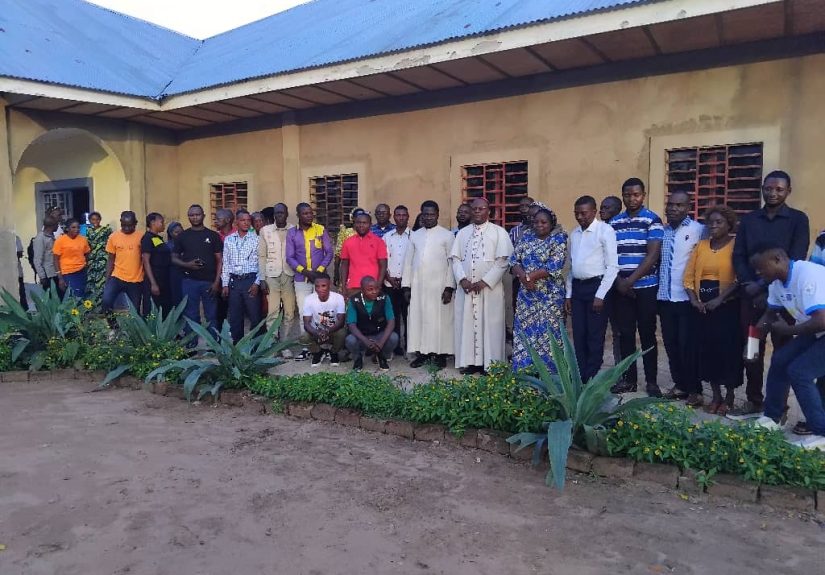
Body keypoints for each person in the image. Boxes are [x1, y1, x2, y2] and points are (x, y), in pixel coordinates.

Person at [730, 170, 810, 417]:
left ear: (788, 191)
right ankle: (754, 400)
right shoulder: (749, 220)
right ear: (762, 189)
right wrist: (750, 285)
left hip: (784, 300)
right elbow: (739, 256)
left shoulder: (798, 220)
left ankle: (779, 407)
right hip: (751, 298)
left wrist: (764, 286)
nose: (773, 193)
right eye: (768, 188)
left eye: (779, 189)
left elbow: (796, 256)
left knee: (782, 352)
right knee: (752, 349)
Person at [750, 246, 825, 445]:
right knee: (780, 360)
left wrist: (788, 331)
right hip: (817, 331)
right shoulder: (776, 284)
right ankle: (773, 418)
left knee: (800, 372)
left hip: (821, 326)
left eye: (761, 268)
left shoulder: (807, 275)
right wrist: (752, 345)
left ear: (777, 259)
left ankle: (821, 433)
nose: (758, 273)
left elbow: (822, 320)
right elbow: (769, 315)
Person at [609, 178, 664, 397]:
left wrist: (629, 281)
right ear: (622, 196)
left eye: (636, 194)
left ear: (643, 195)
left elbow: (653, 255)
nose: (632, 199)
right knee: (626, 335)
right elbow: (608, 256)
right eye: (627, 195)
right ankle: (629, 380)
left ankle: (651, 382)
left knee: (648, 334)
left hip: (645, 287)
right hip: (621, 288)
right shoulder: (614, 223)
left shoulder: (652, 220)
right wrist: (619, 283)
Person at [684, 205, 741, 415]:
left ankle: (730, 396)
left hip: (727, 308)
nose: (713, 226)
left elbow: (739, 278)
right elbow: (688, 277)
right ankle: (715, 396)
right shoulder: (701, 246)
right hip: (703, 309)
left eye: (719, 222)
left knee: (727, 352)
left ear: (729, 225)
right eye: (710, 222)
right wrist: (694, 300)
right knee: (707, 352)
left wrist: (720, 299)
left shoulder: (736, 246)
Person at [451, 198, 514, 374]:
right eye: (474, 209)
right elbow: (455, 259)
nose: (477, 212)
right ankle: (471, 363)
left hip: (489, 290)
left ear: (489, 211)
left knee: (491, 326)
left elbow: (503, 261)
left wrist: (485, 281)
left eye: (481, 209)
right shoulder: (463, 233)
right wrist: (462, 279)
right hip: (467, 289)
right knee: (467, 325)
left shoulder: (499, 232)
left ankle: (491, 365)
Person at [657, 191, 705, 405]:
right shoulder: (663, 231)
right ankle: (680, 385)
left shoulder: (698, 230)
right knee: (671, 344)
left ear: (688, 207)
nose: (674, 209)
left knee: (688, 346)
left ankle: (695, 390)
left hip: (687, 298)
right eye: (671, 204)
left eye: (679, 205)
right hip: (665, 297)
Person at [565, 196, 618, 382]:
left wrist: (601, 295)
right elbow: (571, 267)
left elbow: (613, 266)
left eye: (584, 213)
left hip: (597, 287)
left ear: (594, 212)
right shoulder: (574, 234)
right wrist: (569, 294)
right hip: (578, 288)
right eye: (576, 213)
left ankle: (592, 377)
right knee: (579, 334)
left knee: (594, 335)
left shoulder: (605, 230)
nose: (580, 217)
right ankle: (580, 376)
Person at [511, 206, 567, 372]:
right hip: (526, 296)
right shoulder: (526, 236)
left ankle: (550, 374)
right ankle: (524, 371)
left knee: (549, 333)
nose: (539, 225)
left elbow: (555, 265)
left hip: (550, 296)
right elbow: (514, 260)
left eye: (544, 222)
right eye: (536, 222)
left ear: (551, 223)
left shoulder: (558, 238)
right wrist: (524, 277)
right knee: (525, 332)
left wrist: (530, 277)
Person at [403, 200, 455, 369]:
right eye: (425, 214)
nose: (429, 217)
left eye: (432, 214)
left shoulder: (447, 235)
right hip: (418, 287)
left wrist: (449, 287)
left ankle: (440, 355)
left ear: (438, 215)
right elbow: (408, 262)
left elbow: (452, 263)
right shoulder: (415, 235)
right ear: (421, 215)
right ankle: (422, 354)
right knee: (420, 319)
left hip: (439, 287)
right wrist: (406, 286)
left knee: (440, 321)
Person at [286, 202, 333, 361]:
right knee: (304, 313)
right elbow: (290, 257)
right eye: (305, 213)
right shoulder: (292, 233)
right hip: (301, 279)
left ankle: (325, 347)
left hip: (320, 279)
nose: (309, 215)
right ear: (298, 215)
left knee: (323, 312)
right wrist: (305, 272)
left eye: (310, 213)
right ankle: (308, 348)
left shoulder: (320, 230)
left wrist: (318, 272)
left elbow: (329, 253)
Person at [172, 204, 223, 336]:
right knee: (191, 314)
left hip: (209, 282)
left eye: (197, 214)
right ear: (188, 217)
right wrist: (187, 265)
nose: (195, 217)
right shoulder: (183, 236)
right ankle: (191, 343)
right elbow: (173, 258)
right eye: (191, 215)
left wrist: (216, 282)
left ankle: (213, 343)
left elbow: (220, 260)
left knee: (211, 315)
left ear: (203, 216)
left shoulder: (213, 235)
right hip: (189, 281)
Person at [221, 211, 262, 343]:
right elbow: (226, 263)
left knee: (255, 316)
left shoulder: (256, 239)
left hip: (250, 281)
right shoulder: (229, 239)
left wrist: (257, 283)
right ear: (236, 222)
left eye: (248, 220)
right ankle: (238, 346)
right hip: (234, 282)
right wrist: (225, 284)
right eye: (243, 220)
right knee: (235, 317)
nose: (246, 223)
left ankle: (256, 347)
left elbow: (262, 263)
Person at [259, 203, 296, 347]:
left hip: (289, 275)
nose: (279, 215)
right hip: (271, 276)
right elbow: (262, 256)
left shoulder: (294, 229)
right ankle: (272, 345)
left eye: (282, 213)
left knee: (290, 312)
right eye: (277, 213)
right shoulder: (265, 231)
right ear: (274, 215)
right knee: (272, 313)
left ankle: (284, 344)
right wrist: (262, 278)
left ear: (287, 214)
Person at [345, 276, 398, 371]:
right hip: (362, 336)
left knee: (393, 337)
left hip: (379, 334)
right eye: (370, 289)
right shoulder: (354, 300)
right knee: (350, 340)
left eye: (377, 288)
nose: (374, 291)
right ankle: (358, 358)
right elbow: (351, 325)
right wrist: (366, 341)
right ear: (362, 290)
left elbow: (391, 322)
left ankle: (381, 355)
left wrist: (381, 343)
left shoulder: (384, 298)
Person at [300, 273, 346, 367]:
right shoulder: (309, 299)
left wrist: (327, 331)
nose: (320, 289)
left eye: (323, 286)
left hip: (333, 331)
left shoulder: (338, 298)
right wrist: (317, 333)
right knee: (304, 337)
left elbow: (341, 322)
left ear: (330, 285)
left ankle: (333, 353)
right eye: (317, 286)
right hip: (316, 332)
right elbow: (306, 324)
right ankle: (317, 353)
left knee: (342, 333)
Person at [102, 211, 144, 313]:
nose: (126, 228)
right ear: (121, 222)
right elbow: (110, 259)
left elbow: (145, 258)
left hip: (136, 280)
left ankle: (133, 324)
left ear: (135, 223)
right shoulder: (113, 237)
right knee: (106, 301)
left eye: (129, 225)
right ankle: (112, 322)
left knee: (135, 309)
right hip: (117, 277)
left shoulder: (141, 237)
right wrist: (107, 279)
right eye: (124, 225)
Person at [383, 205, 411, 357]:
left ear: (408, 217)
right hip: (390, 283)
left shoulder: (414, 236)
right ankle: (395, 346)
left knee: (408, 315)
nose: (401, 217)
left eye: (403, 215)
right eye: (398, 215)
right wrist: (389, 278)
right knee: (393, 315)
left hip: (408, 284)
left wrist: (405, 280)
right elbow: (382, 260)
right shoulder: (386, 237)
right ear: (393, 217)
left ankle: (409, 344)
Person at [599, 196, 624, 367]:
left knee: (618, 331)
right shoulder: (598, 229)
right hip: (599, 288)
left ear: (617, 210)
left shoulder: (619, 230)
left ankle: (620, 369)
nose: (602, 211)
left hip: (617, 287)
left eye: (607, 208)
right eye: (601, 207)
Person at [340, 212, 388, 297]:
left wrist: (378, 285)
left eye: (364, 223)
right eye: (358, 223)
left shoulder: (379, 242)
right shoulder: (348, 242)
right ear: (355, 224)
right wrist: (343, 286)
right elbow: (344, 265)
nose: (361, 225)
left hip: (372, 286)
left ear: (370, 225)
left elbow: (383, 266)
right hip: (353, 286)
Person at [140, 212, 172, 314]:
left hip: (163, 279)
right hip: (154, 278)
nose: (163, 224)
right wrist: (153, 283)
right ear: (153, 222)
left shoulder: (158, 238)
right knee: (153, 310)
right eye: (161, 222)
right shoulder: (147, 238)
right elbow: (146, 261)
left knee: (165, 308)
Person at [53, 218, 91, 298]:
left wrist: (85, 264)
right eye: (73, 227)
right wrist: (60, 277)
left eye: (78, 227)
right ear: (67, 229)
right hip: (68, 272)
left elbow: (87, 252)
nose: (76, 229)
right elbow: (56, 259)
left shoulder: (83, 239)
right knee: (74, 295)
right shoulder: (60, 241)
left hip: (81, 271)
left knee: (81, 294)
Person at [86, 211, 112, 307]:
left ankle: (103, 306)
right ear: (89, 220)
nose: (95, 221)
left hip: (103, 260)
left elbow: (110, 243)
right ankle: (92, 306)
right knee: (92, 282)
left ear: (100, 220)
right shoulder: (87, 231)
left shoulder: (106, 230)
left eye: (97, 219)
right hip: (91, 260)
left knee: (102, 283)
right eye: (93, 219)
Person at [215, 208, 235, 329]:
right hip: (219, 276)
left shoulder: (237, 234)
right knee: (220, 309)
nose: (215, 221)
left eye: (218, 219)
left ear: (227, 220)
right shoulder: (215, 236)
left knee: (234, 310)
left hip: (234, 277)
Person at [33, 216, 62, 297]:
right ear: (52, 226)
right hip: (48, 275)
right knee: (51, 299)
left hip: (55, 272)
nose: (58, 226)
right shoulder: (40, 238)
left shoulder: (51, 236)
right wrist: (42, 277)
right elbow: (37, 260)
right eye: (57, 224)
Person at [334, 207, 360, 287]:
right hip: (347, 270)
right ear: (353, 218)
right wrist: (336, 272)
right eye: (358, 217)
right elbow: (338, 253)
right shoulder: (345, 233)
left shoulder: (369, 233)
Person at [166, 221, 184, 307]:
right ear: (170, 233)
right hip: (173, 274)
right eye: (176, 232)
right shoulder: (167, 246)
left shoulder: (186, 244)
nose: (179, 234)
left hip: (185, 275)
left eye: (181, 232)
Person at [15, 235, 28, 310]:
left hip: (16, 271)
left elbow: (19, 253)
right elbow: (20, 253)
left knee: (21, 292)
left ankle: (23, 310)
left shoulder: (15, 238)